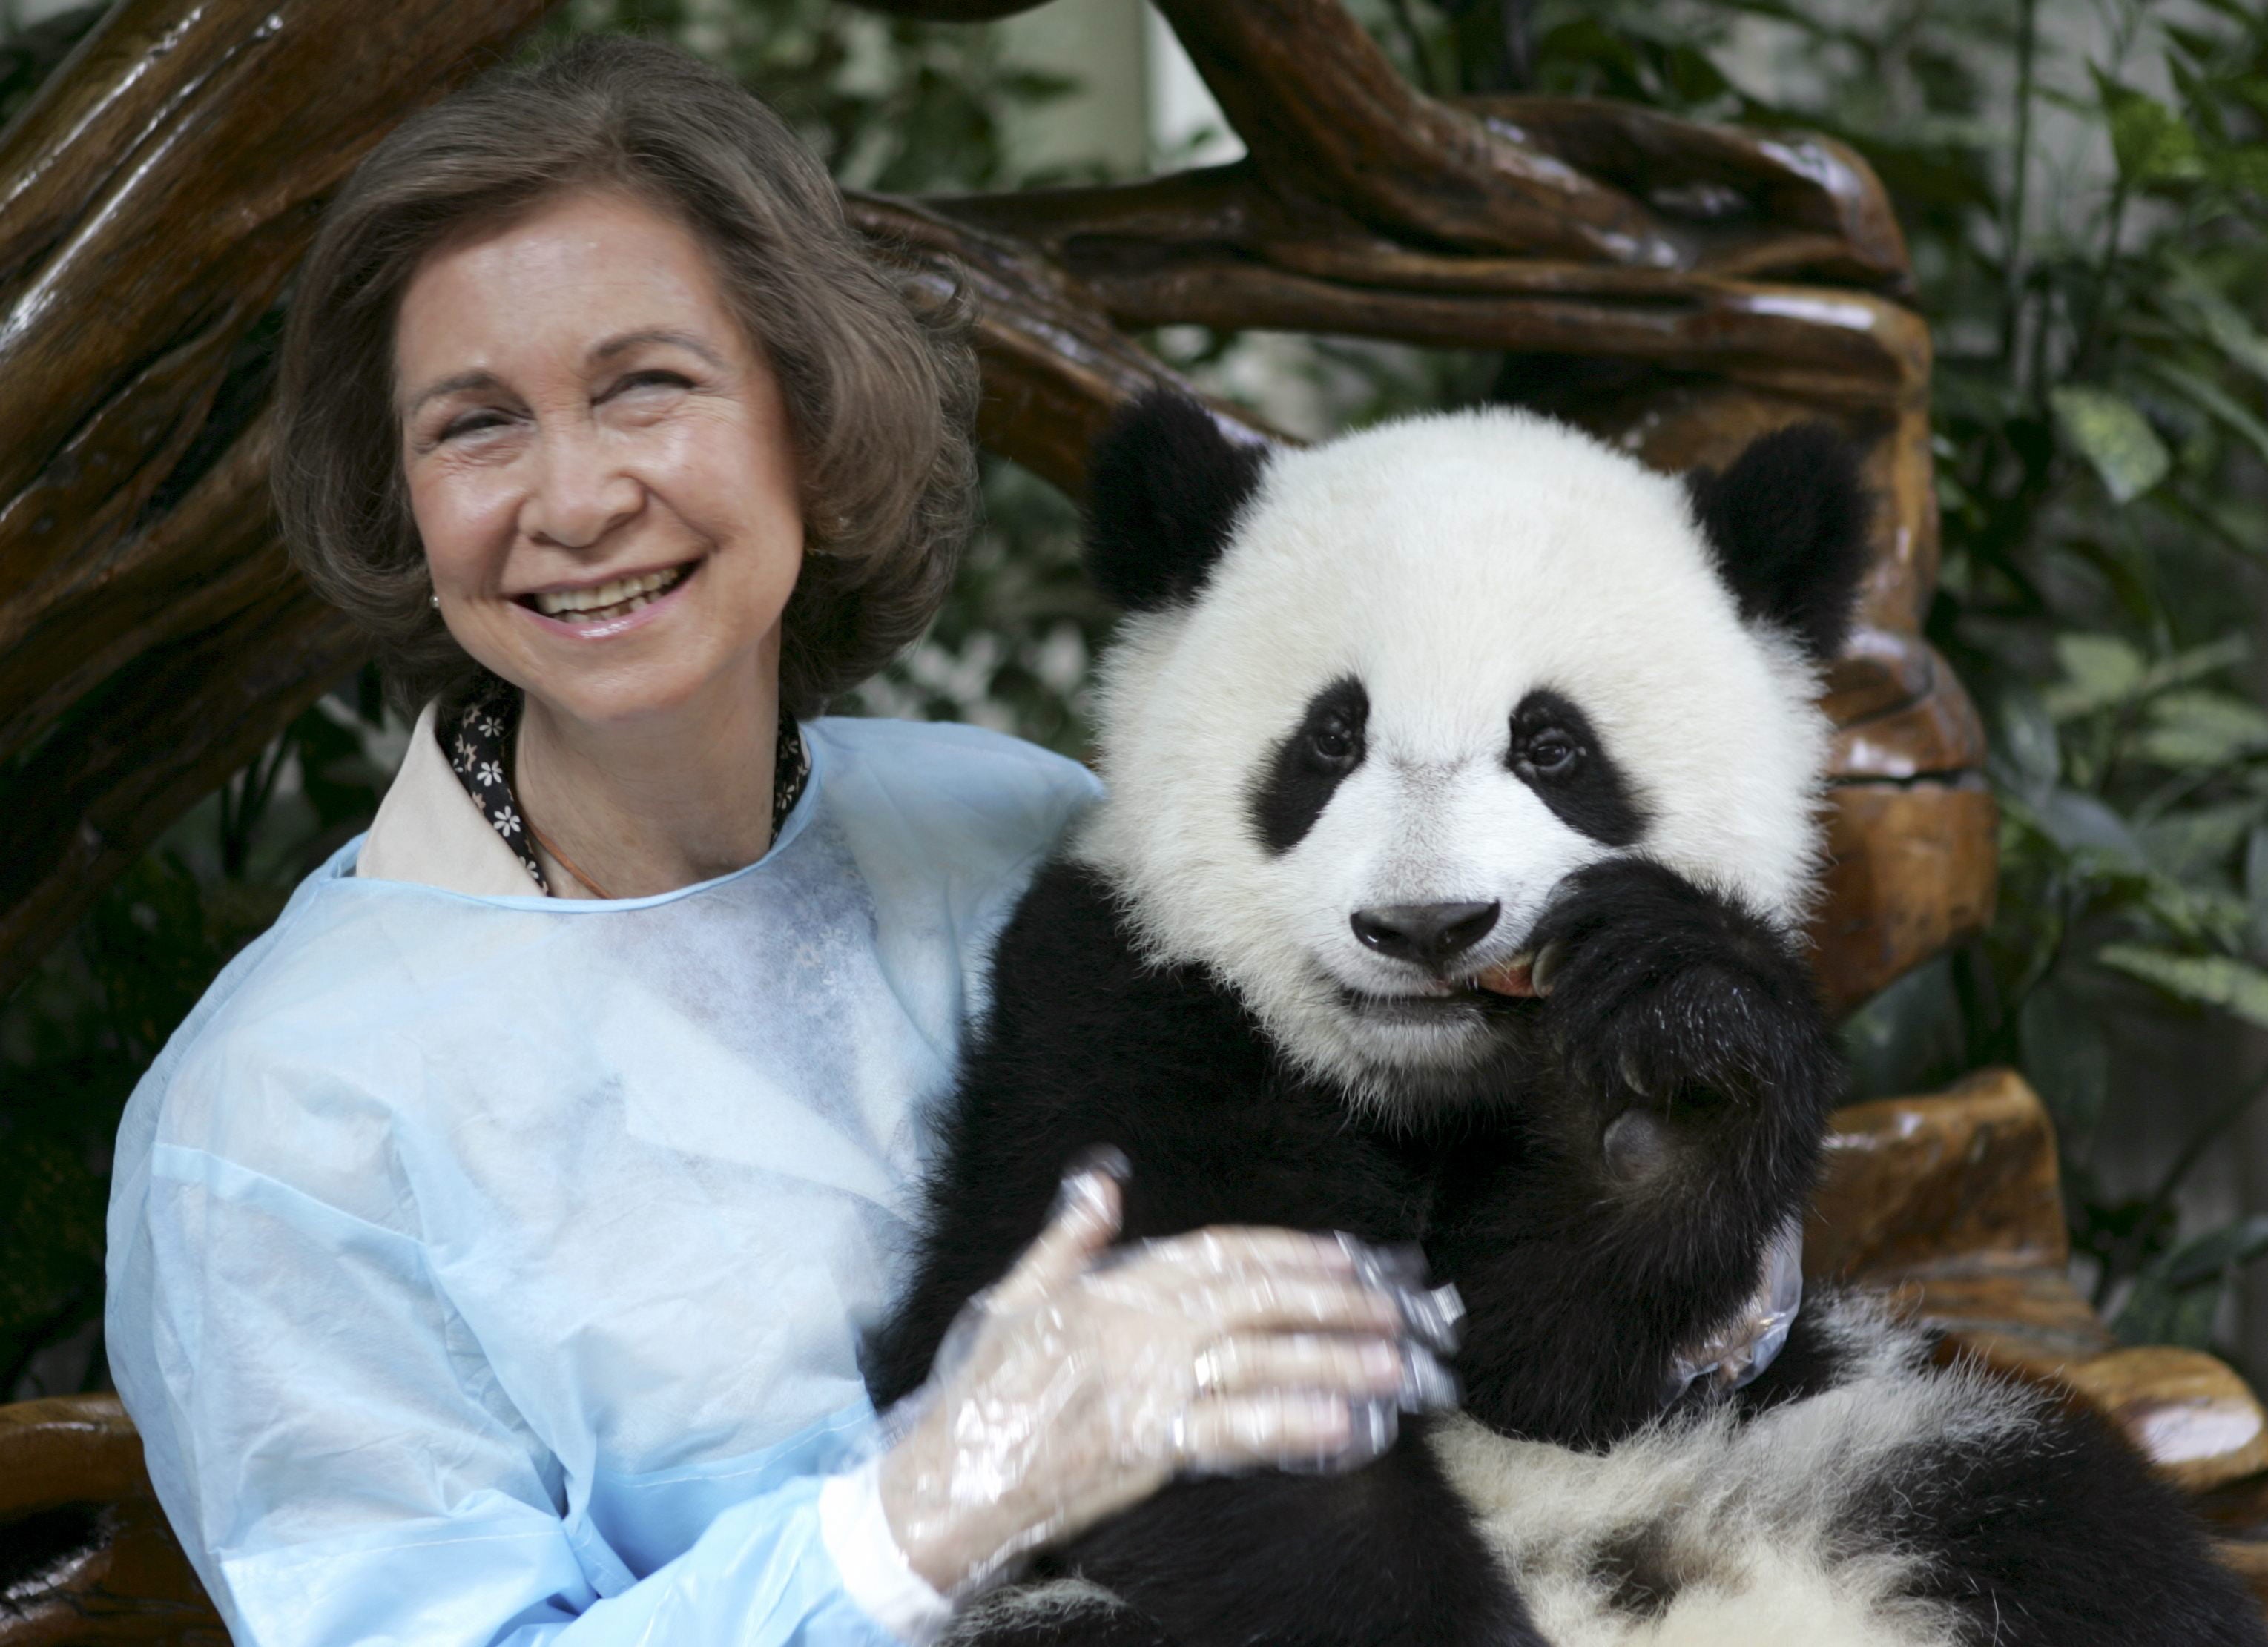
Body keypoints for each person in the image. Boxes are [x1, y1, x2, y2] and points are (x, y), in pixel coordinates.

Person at [101, 36, 1446, 1647]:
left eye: (643, 386)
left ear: (806, 418)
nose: (577, 497)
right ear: (402, 505)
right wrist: (921, 1512)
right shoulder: (272, 1123)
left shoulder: (1015, 827)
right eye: (475, 425)